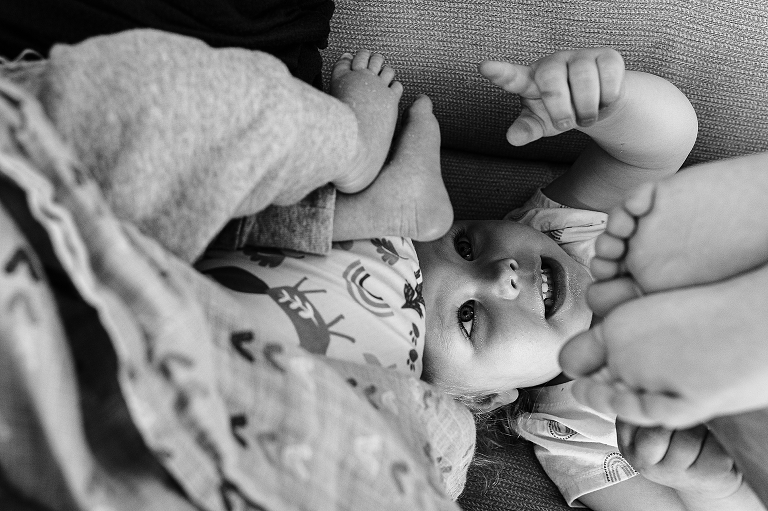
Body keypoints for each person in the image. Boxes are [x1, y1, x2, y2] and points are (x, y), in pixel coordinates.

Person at [198, 45, 763, 509]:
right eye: (468, 320)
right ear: (494, 394)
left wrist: (604, 104)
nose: (501, 275)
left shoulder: (563, 235)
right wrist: (706, 484)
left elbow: (663, 145)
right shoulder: (574, 431)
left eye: (465, 244)